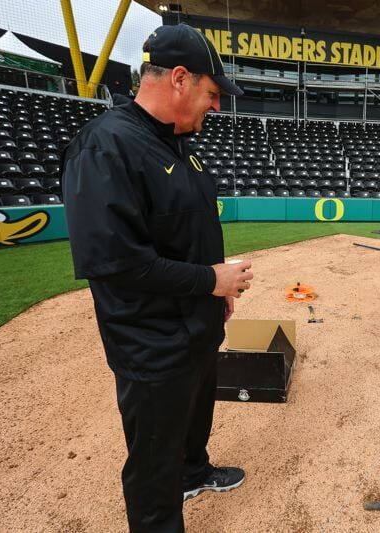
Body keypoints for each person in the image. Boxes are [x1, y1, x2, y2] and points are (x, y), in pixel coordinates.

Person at [62, 24, 249, 532]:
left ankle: (194, 471)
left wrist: (217, 293)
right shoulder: (104, 146)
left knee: (193, 422)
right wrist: (210, 282)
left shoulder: (179, 143)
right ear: (180, 79)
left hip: (196, 324)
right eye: (212, 94)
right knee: (152, 464)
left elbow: (188, 232)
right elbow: (116, 263)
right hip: (152, 342)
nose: (216, 107)